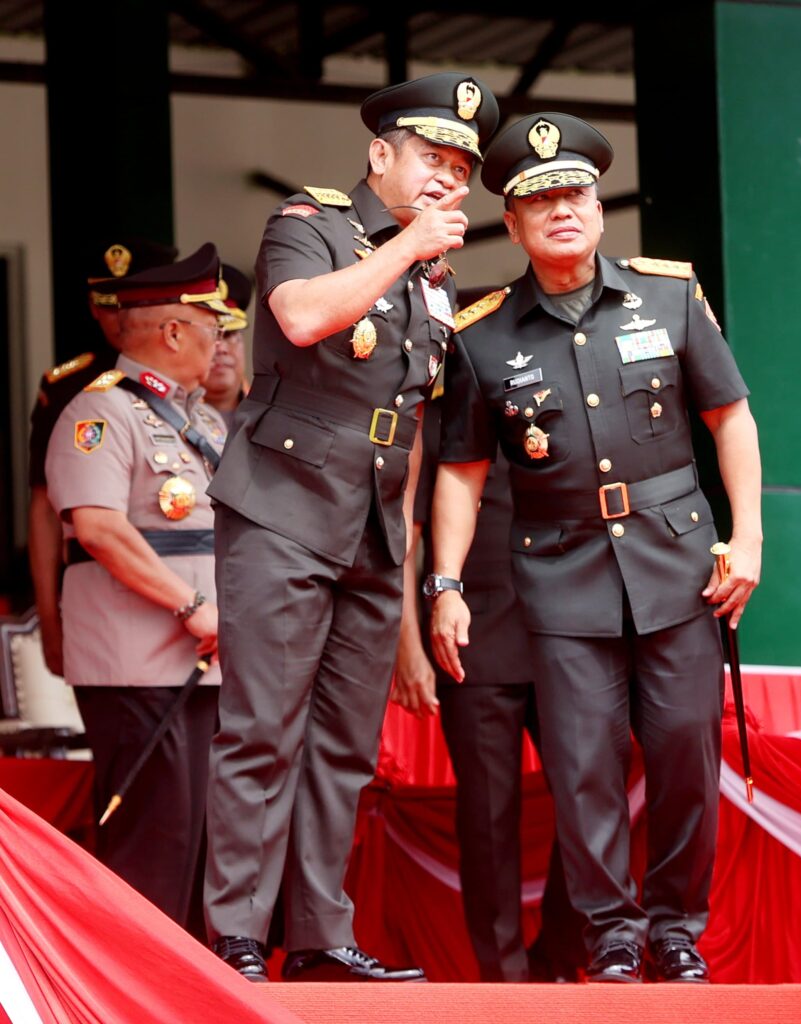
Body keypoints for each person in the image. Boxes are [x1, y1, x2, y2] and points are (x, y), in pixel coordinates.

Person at [429, 113, 762, 984]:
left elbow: (731, 420)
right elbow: (460, 473)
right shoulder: (482, 333)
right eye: (541, 201)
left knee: (687, 747)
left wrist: (749, 537)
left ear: (599, 207)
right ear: (515, 223)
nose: (562, 210)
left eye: (575, 193)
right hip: (559, 571)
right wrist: (445, 583)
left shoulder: (668, 296)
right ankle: (612, 934)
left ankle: (676, 928)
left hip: (679, 563)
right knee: (583, 767)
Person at [202, 72, 499, 984]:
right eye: (430, 159)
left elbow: (409, 433)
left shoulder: (435, 281)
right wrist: (408, 242)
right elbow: (297, 317)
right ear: (381, 155)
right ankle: (235, 937)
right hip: (284, 508)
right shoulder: (312, 225)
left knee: (344, 743)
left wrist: (412, 584)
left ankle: (321, 934)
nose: (446, 178)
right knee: (262, 729)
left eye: (460, 167)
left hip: (372, 526)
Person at [44, 243, 230, 929]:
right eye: (212, 330)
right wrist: (192, 605)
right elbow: (99, 528)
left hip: (204, 662)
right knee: (155, 836)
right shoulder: (99, 414)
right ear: (174, 331)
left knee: (203, 840)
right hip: (138, 663)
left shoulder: (204, 422)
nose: (220, 346)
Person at [394, 398, 587, 982]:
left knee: (598, 803)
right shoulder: (442, 420)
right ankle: (505, 982)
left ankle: (559, 954)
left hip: (571, 640)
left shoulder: (567, 398)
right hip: (471, 644)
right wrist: (408, 645)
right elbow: (406, 539)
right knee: (487, 821)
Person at [27, 237, 178, 676]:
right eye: (109, 303)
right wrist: (49, 619)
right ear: (94, 307)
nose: (120, 316)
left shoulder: (195, 373)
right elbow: (44, 507)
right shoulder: (65, 387)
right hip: (104, 591)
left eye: (132, 302)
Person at [203, 264, 252, 425]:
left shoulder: (273, 414)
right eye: (211, 335)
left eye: (229, 335)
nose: (221, 349)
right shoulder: (164, 415)